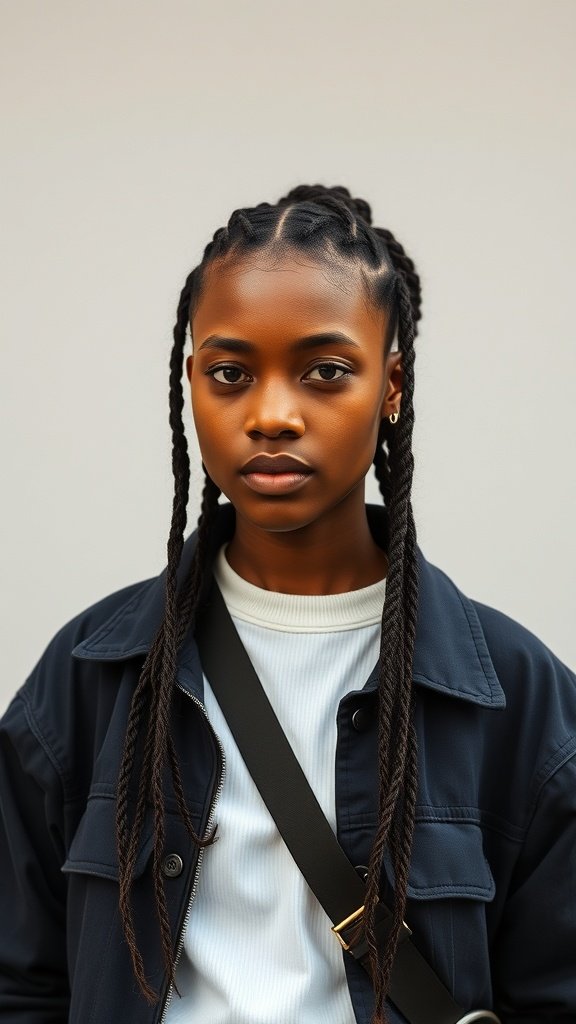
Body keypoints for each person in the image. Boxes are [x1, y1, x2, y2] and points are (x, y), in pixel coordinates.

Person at [0, 184, 574, 1024]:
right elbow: (20, 986)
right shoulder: (89, 678)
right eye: (231, 373)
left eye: (325, 371)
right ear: (189, 381)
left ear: (392, 386)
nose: (272, 415)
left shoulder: (520, 703)